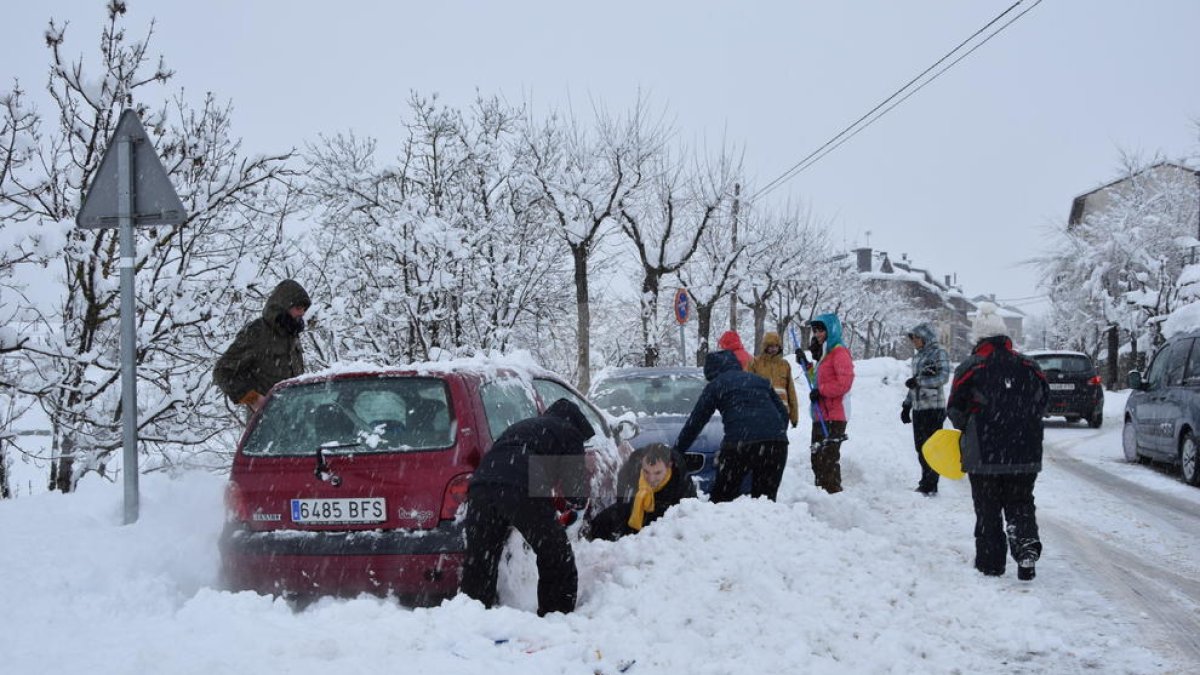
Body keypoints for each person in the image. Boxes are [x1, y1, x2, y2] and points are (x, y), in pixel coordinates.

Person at [459, 398, 593, 616]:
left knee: (481, 556)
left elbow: (504, 459)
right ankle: (556, 614)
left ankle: (472, 614)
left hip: (481, 484)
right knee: (555, 552)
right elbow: (574, 483)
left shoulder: (525, 426)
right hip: (522, 484)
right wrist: (577, 505)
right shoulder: (570, 432)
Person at [947, 302, 1049, 581]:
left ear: (978, 338)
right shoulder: (1030, 366)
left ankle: (991, 564)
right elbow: (1043, 402)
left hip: (985, 452)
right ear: (1006, 337)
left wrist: (971, 424)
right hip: (1025, 451)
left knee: (988, 507)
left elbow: (954, 408)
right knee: (1021, 502)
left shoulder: (970, 367)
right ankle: (1026, 549)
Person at [674, 350, 789, 502]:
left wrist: (677, 450)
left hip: (740, 445)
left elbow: (696, 422)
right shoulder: (760, 381)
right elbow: (783, 413)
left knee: (722, 499)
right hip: (776, 445)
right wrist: (772, 434)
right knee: (764, 501)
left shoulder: (716, 385)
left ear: (711, 372)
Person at [214, 279, 312, 413]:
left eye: (304, 310)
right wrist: (253, 399)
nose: (302, 313)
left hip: (296, 419)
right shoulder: (257, 332)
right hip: (267, 423)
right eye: (298, 308)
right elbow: (222, 371)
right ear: (283, 306)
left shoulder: (291, 334)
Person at [588, 443, 696, 541]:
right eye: (646, 472)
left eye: (657, 473)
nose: (651, 479)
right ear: (641, 464)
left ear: (669, 466)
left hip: (667, 519)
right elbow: (622, 504)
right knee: (603, 522)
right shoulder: (632, 469)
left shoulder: (680, 479)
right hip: (638, 509)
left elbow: (689, 514)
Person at [900, 323, 951, 496]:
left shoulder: (939, 352)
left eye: (916, 338)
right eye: (912, 339)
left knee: (932, 447)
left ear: (925, 337)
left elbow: (943, 377)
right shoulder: (918, 356)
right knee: (920, 447)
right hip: (919, 408)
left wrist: (919, 382)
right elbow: (915, 382)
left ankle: (931, 484)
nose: (914, 342)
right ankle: (925, 480)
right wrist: (906, 405)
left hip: (934, 408)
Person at [806, 313, 854, 494]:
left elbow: (844, 383)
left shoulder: (839, 352)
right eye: (815, 330)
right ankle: (822, 498)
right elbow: (817, 380)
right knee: (817, 458)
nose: (817, 334)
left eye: (821, 330)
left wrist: (822, 391)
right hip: (820, 414)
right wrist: (808, 366)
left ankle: (834, 497)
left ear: (831, 329)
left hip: (835, 414)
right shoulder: (825, 355)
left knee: (828, 459)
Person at [749, 331, 800, 429]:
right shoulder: (755, 364)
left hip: (782, 413)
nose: (773, 349)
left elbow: (791, 391)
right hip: (761, 412)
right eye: (770, 346)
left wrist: (794, 416)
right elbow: (748, 389)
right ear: (765, 347)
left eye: (776, 346)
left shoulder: (785, 365)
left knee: (779, 443)